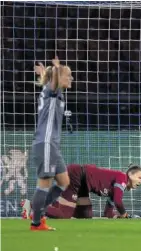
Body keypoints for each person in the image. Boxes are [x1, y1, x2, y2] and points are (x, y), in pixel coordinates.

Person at [29, 57, 73, 231]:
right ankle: (36, 222)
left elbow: (50, 82)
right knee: (44, 184)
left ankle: (37, 211)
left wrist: (46, 73)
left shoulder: (52, 90)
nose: (71, 78)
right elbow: (53, 82)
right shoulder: (52, 89)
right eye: (68, 75)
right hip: (45, 143)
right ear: (58, 77)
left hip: (52, 145)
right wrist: (57, 69)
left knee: (64, 182)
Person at [22, 163, 141, 219]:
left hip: (84, 184)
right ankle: (33, 205)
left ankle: (54, 205)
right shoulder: (122, 178)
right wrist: (125, 215)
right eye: (139, 177)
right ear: (130, 174)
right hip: (78, 176)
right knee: (65, 214)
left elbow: (108, 212)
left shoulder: (117, 186)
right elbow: (118, 202)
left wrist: (118, 217)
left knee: (86, 215)